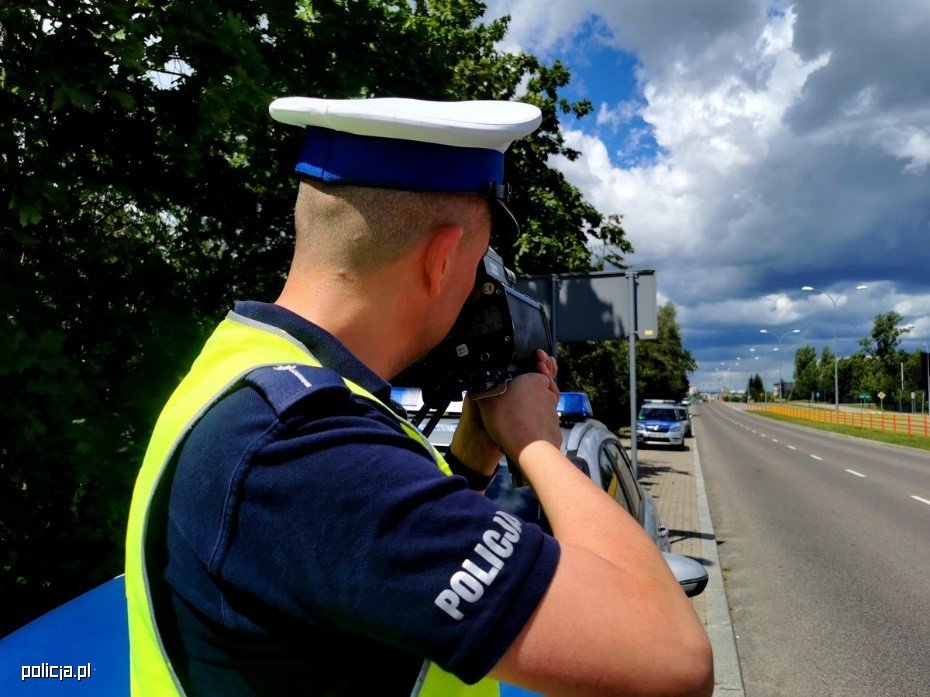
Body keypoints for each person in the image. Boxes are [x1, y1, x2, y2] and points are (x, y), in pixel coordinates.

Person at [125, 96, 713, 696]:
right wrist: (538, 444)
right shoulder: (307, 455)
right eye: (478, 266)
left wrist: (471, 461)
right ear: (440, 259)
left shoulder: (249, 373)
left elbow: (361, 565)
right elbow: (671, 659)